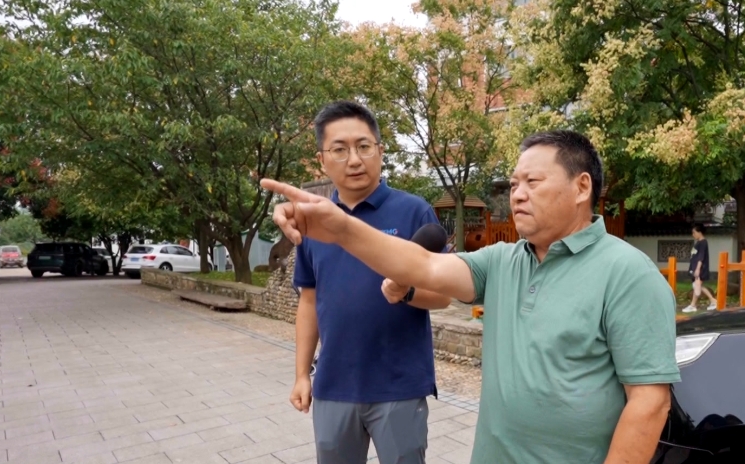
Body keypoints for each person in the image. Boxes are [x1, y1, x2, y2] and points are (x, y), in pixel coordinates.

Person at [263, 129, 680, 464]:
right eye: (514, 184)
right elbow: (424, 266)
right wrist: (340, 227)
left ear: (581, 186)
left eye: (533, 182)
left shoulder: (628, 274)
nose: (517, 194)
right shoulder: (502, 261)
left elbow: (649, 403)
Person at [288, 101, 451, 464]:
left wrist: (407, 291)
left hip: (399, 386)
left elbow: (443, 295)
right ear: (321, 160)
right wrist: (301, 374)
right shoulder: (314, 222)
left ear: (380, 150)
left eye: (363, 146)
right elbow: (309, 302)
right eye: (339, 149)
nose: (354, 160)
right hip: (333, 385)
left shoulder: (414, 212)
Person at [682, 223, 717, 313]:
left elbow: (701, 257)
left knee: (697, 285)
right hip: (695, 268)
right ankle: (713, 301)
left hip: (700, 268)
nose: (693, 234)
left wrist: (698, 269)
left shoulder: (703, 243)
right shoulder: (698, 243)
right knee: (698, 286)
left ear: (699, 232)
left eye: (694, 232)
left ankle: (693, 305)